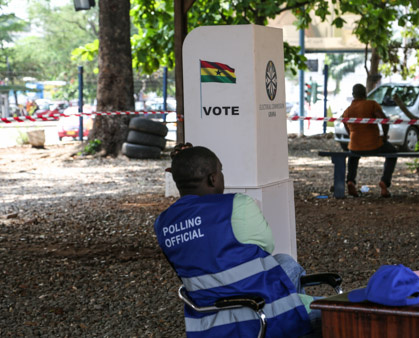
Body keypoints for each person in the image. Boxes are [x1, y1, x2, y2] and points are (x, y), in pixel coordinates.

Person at [153, 146, 319, 337]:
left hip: (208, 322)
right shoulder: (236, 206)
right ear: (212, 178)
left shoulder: (163, 223)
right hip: (263, 315)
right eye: (220, 171)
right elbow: (266, 246)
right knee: (346, 313)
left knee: (285, 262)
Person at [342, 83, 397, 197]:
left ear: (353, 95)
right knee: (392, 153)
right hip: (374, 145)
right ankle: (384, 182)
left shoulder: (348, 110)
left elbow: (346, 125)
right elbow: (384, 120)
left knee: (353, 156)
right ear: (365, 94)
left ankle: (350, 180)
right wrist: (385, 135)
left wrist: (352, 136)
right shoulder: (372, 104)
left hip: (355, 146)